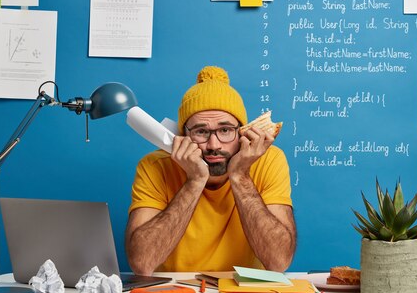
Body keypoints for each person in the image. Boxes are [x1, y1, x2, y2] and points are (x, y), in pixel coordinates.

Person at [125, 66, 296, 274]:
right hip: (176, 292)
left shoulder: (269, 160)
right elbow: (141, 264)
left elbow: (279, 262)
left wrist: (240, 175)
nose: (214, 144)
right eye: (201, 131)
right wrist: (195, 180)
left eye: (225, 130)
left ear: (242, 132)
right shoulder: (154, 166)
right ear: (183, 135)